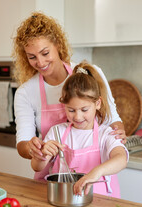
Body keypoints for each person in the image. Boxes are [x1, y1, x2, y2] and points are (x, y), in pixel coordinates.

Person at [12, 12, 126, 165]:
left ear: (58, 45)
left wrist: (118, 135)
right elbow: (22, 144)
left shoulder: (90, 74)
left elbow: (113, 119)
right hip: (51, 178)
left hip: (95, 172)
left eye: (45, 53)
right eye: (32, 57)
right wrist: (32, 148)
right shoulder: (25, 92)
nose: (40, 62)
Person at [31, 61, 128, 198]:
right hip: (65, 200)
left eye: (84, 109)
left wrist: (97, 172)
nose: (78, 116)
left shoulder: (106, 134)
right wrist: (42, 155)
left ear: (98, 103)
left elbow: (121, 159)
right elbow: (37, 167)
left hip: (101, 203)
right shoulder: (57, 132)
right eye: (71, 110)